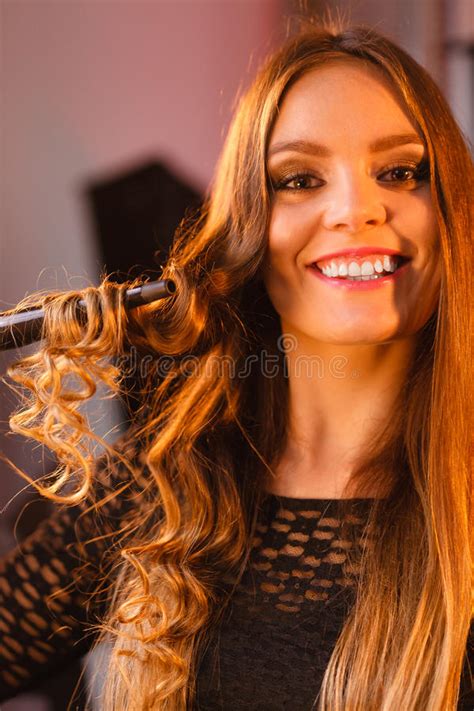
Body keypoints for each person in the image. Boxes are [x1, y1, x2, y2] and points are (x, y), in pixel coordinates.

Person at [0, 16, 472, 711]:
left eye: (401, 171)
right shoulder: (164, 482)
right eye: (301, 178)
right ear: (249, 230)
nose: (355, 208)